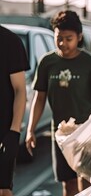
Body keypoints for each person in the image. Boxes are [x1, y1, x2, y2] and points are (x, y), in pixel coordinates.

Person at [25, 10, 91, 196]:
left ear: (79, 37)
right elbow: (39, 97)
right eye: (59, 38)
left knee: (86, 182)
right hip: (61, 135)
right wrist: (30, 130)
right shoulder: (47, 62)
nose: (63, 43)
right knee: (68, 183)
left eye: (68, 38)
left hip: (88, 134)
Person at [0, 25, 30, 196]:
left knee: (3, 190)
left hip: (3, 132)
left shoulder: (10, 41)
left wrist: (14, 132)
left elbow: (20, 90)